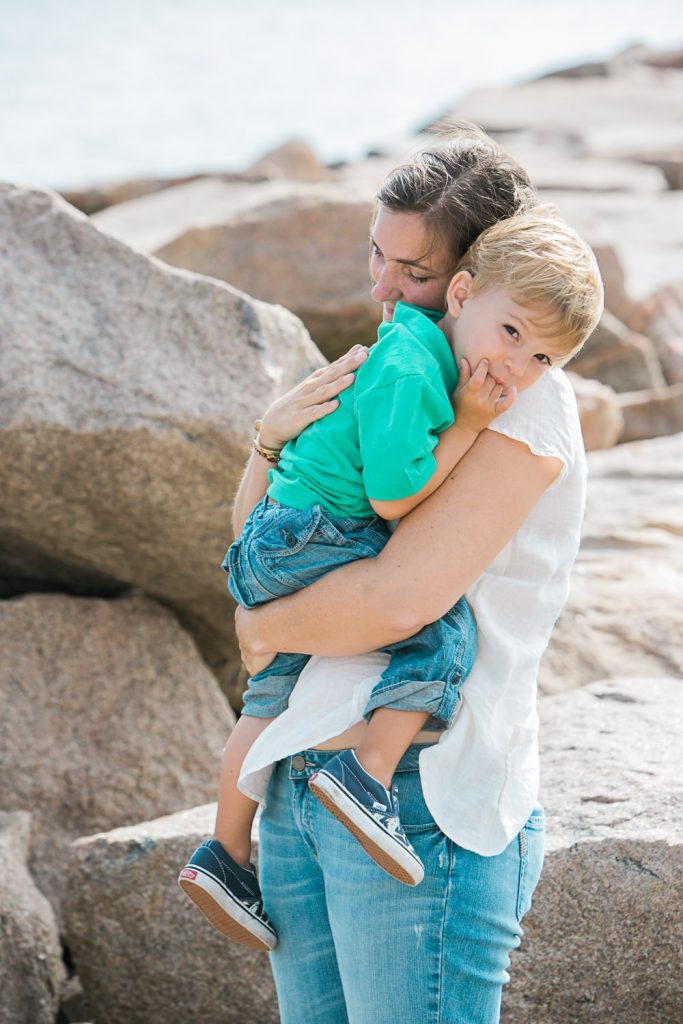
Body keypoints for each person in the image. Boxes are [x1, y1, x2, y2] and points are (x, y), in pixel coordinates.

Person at [178, 203, 603, 959]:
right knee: (444, 636)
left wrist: (264, 623)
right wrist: (266, 440)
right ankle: (357, 776)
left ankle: (225, 852)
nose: (382, 288)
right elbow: (388, 527)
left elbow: (375, 588)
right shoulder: (414, 368)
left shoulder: (483, 385)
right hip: (317, 767)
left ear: (459, 281)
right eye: (377, 255)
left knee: (267, 692)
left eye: (413, 271)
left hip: (405, 783)